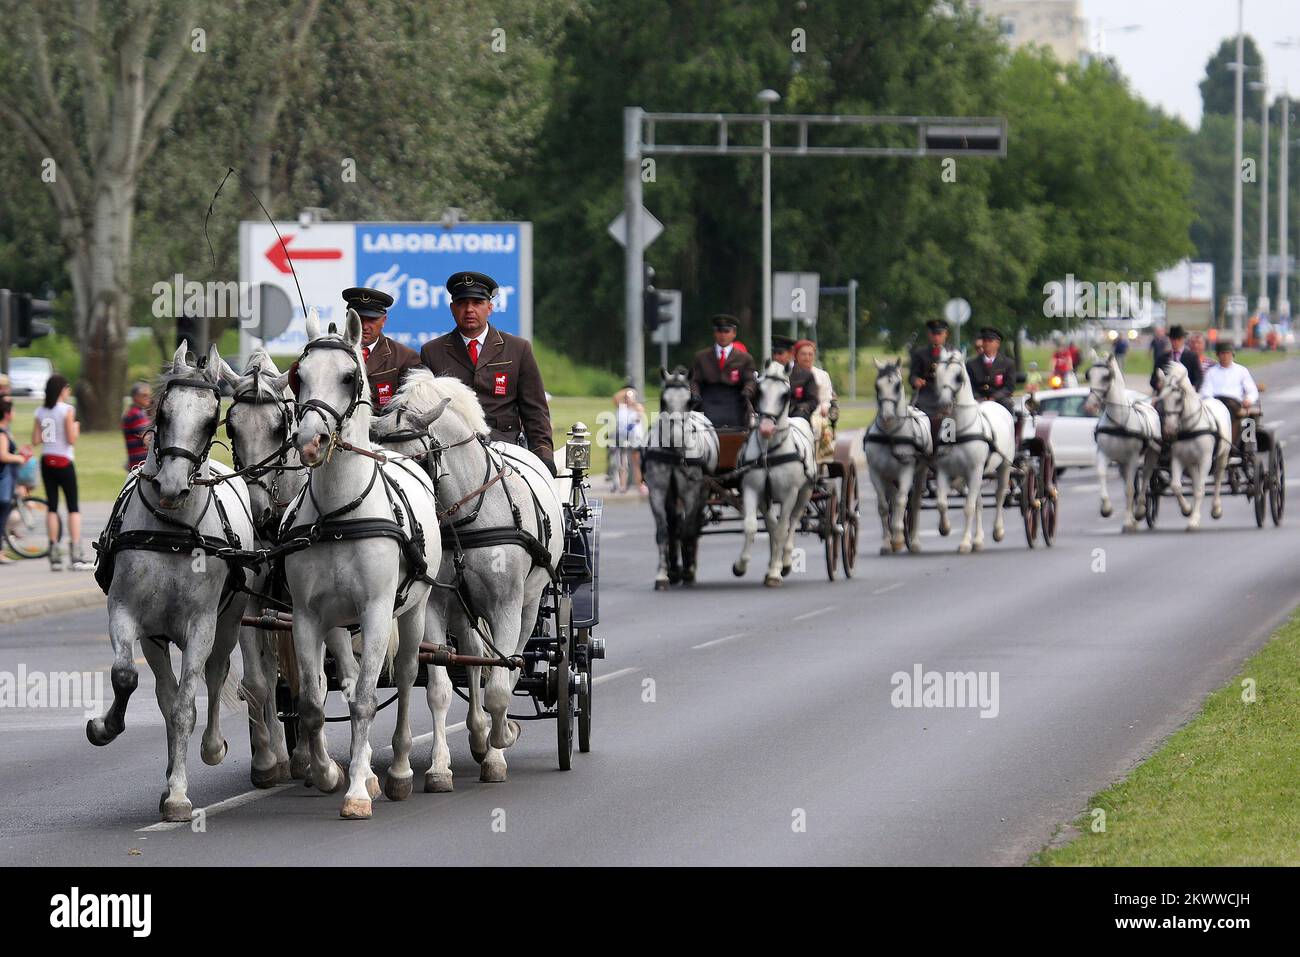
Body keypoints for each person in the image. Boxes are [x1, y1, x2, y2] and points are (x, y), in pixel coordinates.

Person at [420, 271, 555, 472]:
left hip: (507, 452)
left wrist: (543, 455)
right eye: (462, 303)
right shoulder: (432, 352)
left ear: (490, 307)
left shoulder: (518, 349)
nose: (469, 309)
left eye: (477, 302)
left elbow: (535, 411)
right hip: (452, 455)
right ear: (452, 308)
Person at [32, 375, 90, 570]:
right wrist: (76, 427)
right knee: (73, 507)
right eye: (67, 388)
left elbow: (35, 439)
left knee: (52, 507)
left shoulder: (40, 411)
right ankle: (75, 552)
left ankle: (54, 550)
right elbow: (71, 439)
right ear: (61, 390)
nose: (69, 391)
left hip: (47, 460)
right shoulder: (67, 410)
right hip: (64, 461)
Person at [343, 286, 424, 412]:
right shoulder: (332, 355)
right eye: (359, 318)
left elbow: (412, 411)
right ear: (348, 318)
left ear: (383, 320)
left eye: (371, 319)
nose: (364, 326)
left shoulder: (405, 357)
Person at [688, 314, 757, 428]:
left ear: (734, 333)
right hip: (708, 400)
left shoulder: (745, 358)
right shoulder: (701, 357)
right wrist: (695, 394)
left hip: (735, 400)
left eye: (726, 331)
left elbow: (750, 380)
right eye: (719, 331)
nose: (723, 335)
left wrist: (747, 391)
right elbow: (694, 380)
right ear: (714, 333)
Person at [1200, 341, 1260, 449]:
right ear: (1218, 355)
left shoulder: (1241, 371)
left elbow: (1252, 391)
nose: (1225, 356)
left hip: (1234, 402)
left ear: (1232, 354)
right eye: (1222, 353)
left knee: (1230, 409)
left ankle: (1230, 444)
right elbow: (1205, 391)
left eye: (1228, 353)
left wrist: (1248, 400)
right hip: (1215, 403)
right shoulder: (1211, 372)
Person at [1, 398, 34, 565]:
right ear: (7, 414)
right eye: (12, 411)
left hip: (8, 479)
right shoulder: (2, 432)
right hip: (3, 481)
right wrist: (19, 458)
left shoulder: (5, 431)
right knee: (4, 513)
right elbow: (3, 455)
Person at [967, 327, 1016, 414]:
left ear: (998, 344)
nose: (986, 344)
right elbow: (970, 385)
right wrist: (979, 398)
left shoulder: (1008, 363)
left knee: (1008, 404)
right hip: (978, 400)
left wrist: (994, 397)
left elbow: (1009, 387)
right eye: (984, 341)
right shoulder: (972, 364)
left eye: (990, 341)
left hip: (999, 400)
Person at [609, 384, 646, 494]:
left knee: (636, 463)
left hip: (635, 439)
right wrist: (627, 390)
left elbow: (640, 412)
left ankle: (640, 484)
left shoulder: (637, 407)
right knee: (622, 463)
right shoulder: (621, 407)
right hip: (623, 439)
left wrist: (632, 396)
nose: (627, 399)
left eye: (629, 397)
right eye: (626, 397)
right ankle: (622, 485)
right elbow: (615, 398)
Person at [908, 319, 949, 415]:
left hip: (947, 395)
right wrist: (916, 380)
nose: (936, 337)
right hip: (926, 396)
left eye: (939, 334)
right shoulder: (920, 353)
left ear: (946, 334)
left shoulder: (953, 353)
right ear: (929, 335)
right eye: (933, 334)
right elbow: (912, 375)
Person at [1151, 324, 1202, 392]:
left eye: (1179, 339)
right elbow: (1153, 379)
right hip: (1166, 394)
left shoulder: (1192, 357)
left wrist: (1194, 388)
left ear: (1183, 339)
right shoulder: (1162, 359)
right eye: (1173, 339)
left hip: (1185, 394)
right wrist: (1158, 385)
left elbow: (1199, 378)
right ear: (1170, 339)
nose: (1176, 342)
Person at [121, 381, 153, 472]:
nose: (148, 398)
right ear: (135, 397)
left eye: (149, 395)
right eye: (144, 395)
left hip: (138, 464)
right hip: (142, 465)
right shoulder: (136, 414)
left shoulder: (136, 412)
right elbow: (148, 441)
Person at [788, 340, 820, 422]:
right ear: (796, 356)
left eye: (810, 354)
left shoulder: (821, 375)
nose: (807, 357)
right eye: (803, 354)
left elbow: (816, 400)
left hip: (811, 412)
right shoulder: (789, 373)